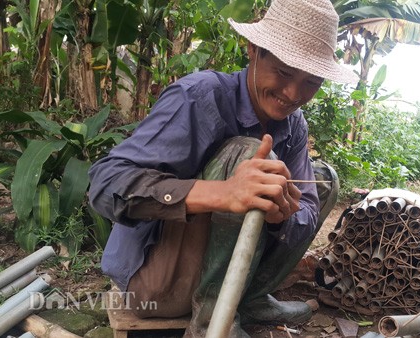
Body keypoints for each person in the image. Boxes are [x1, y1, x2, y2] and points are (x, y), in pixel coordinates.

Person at [88, 0, 357, 336]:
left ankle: (249, 296)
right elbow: (103, 184)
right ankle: (212, 323)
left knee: (320, 180)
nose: (292, 94)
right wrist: (222, 194)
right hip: (157, 283)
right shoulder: (199, 96)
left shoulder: (294, 124)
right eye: (285, 73)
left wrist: (280, 217)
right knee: (251, 159)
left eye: (311, 82)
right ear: (253, 50)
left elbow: (306, 209)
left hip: (232, 275)